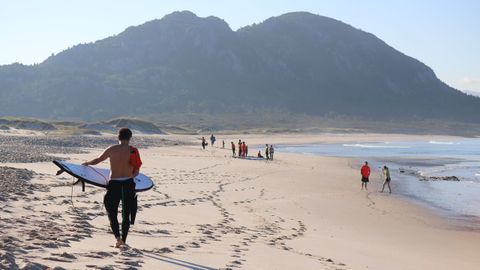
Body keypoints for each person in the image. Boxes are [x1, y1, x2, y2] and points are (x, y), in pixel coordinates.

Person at [82, 128, 141, 248]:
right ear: (130, 138)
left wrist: (87, 163)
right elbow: (137, 171)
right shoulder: (133, 151)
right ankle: (123, 240)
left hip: (114, 184)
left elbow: (98, 160)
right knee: (126, 213)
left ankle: (117, 238)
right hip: (128, 184)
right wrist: (130, 176)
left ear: (118, 137)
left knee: (111, 212)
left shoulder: (111, 149)